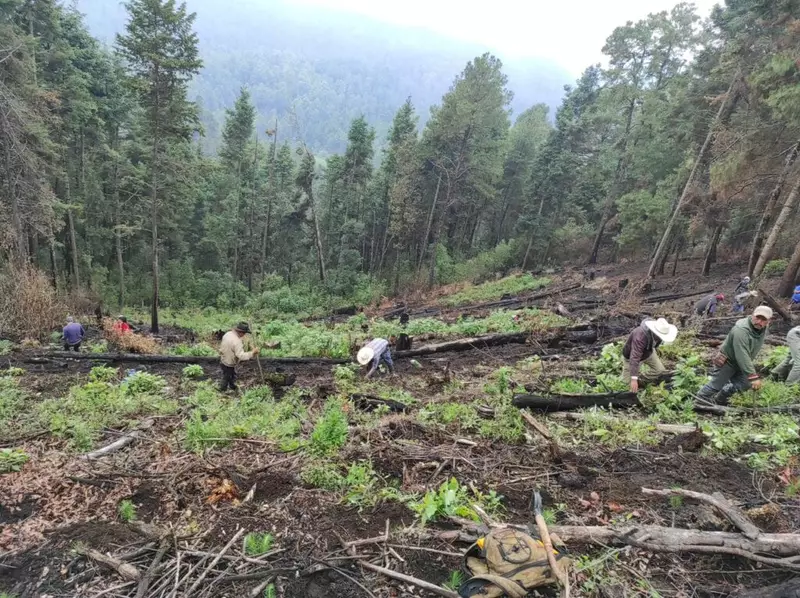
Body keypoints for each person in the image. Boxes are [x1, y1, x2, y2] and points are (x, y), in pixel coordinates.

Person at [696, 306, 773, 404]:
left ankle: (720, 399)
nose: (759, 322)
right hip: (728, 361)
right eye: (757, 318)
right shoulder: (741, 330)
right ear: (752, 315)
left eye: (763, 320)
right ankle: (698, 402)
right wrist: (753, 376)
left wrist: (751, 376)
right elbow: (742, 354)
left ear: (769, 321)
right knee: (716, 385)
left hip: (740, 363)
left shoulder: (763, 328)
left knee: (745, 384)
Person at [622, 317, 678, 393]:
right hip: (631, 357)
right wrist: (634, 379)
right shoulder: (640, 336)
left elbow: (654, 344)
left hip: (649, 352)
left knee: (660, 370)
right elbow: (634, 357)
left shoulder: (660, 330)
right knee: (626, 386)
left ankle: (641, 380)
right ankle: (635, 379)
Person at [219, 321, 259, 392]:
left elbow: (234, 342)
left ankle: (232, 386)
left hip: (223, 358)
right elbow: (241, 356)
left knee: (230, 374)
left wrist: (249, 344)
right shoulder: (237, 342)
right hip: (229, 362)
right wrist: (252, 352)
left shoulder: (228, 334)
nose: (244, 335)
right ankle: (222, 390)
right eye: (244, 333)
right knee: (227, 376)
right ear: (241, 332)